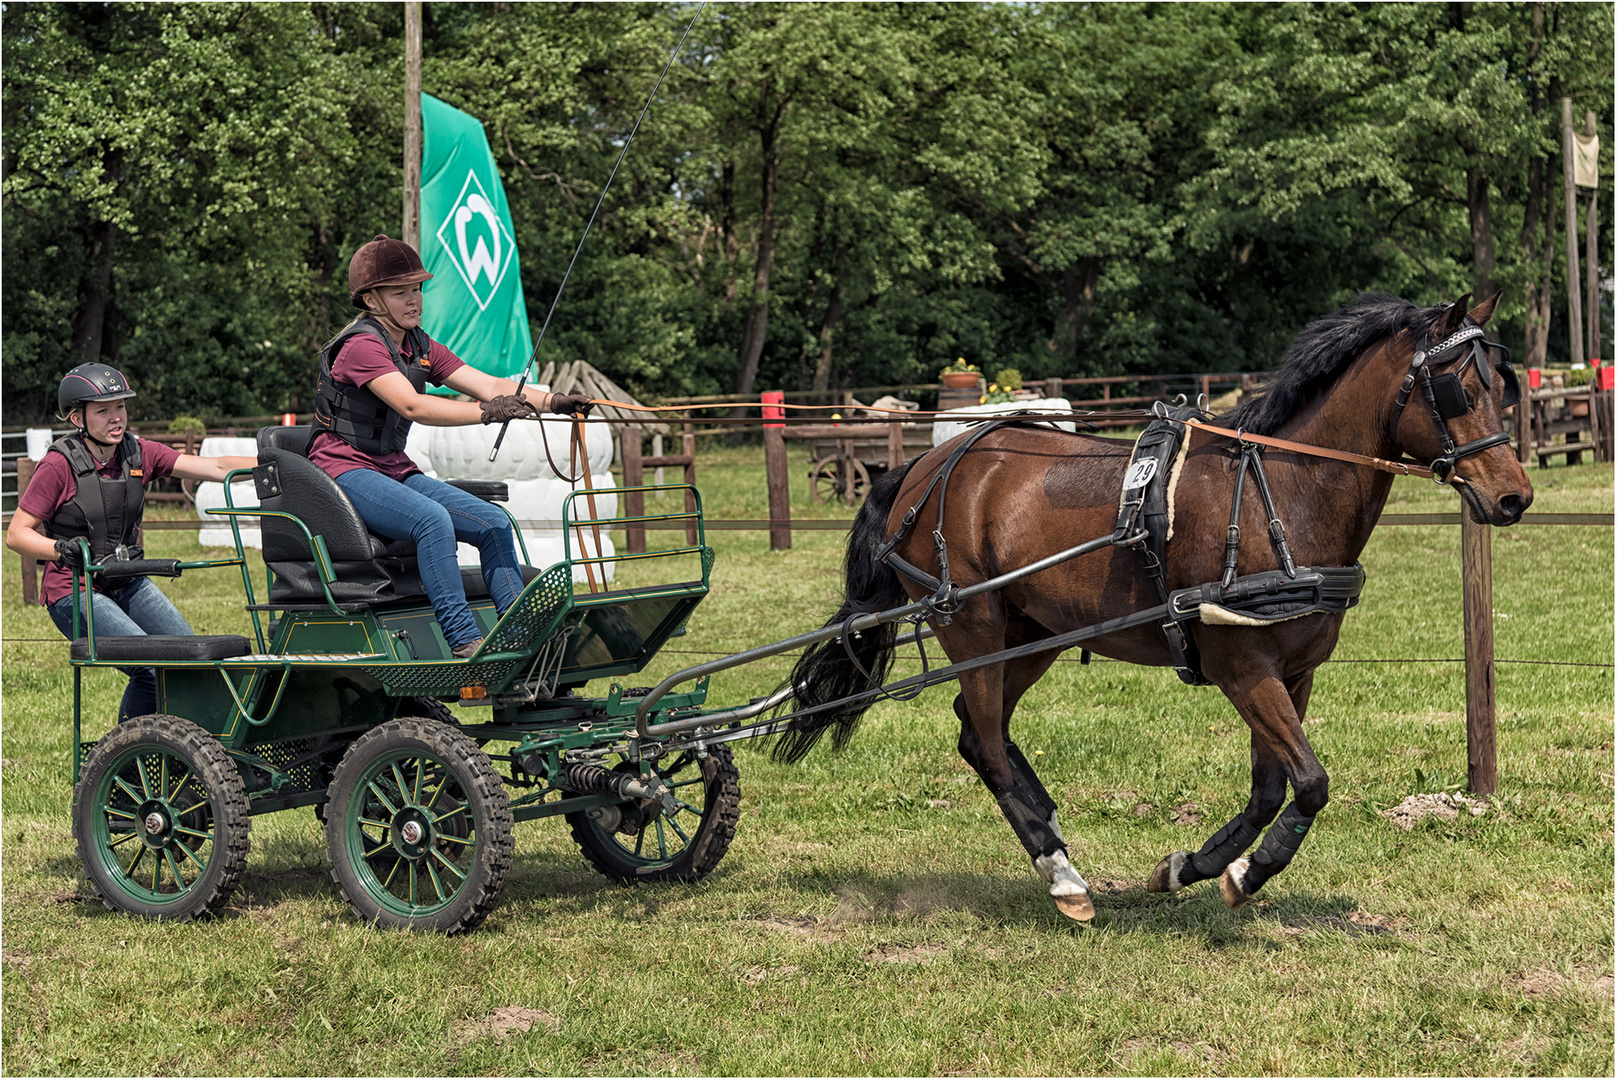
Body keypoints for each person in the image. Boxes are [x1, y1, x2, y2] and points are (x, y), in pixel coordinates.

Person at [308, 234, 590, 659]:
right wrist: (488, 413)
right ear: (370, 299)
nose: (414, 299)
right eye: (400, 292)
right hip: (344, 469)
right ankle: (464, 641)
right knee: (432, 521)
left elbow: (492, 385)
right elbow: (412, 404)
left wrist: (554, 402)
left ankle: (519, 634)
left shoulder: (419, 344)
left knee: (493, 523)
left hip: (392, 467)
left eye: (418, 288)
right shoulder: (361, 346)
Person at [6, 364, 259, 724]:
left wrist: (278, 461)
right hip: (73, 590)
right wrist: (59, 550)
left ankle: (182, 750)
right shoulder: (58, 465)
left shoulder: (138, 452)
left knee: (192, 661)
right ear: (78, 417)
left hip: (126, 578)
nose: (116, 418)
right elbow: (16, 534)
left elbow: (216, 466)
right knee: (151, 669)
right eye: (103, 410)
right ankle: (123, 764)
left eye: (120, 406)